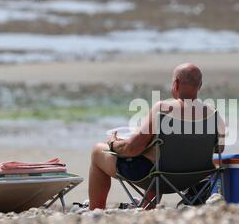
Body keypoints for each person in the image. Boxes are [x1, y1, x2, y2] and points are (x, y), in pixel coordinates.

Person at [88, 63, 225, 210]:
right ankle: (147, 206)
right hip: (193, 178)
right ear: (200, 85)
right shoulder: (214, 114)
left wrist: (113, 143)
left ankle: (95, 210)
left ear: (176, 84)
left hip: (159, 178)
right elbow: (219, 148)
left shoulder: (163, 109)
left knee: (98, 151)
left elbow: (132, 149)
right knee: (156, 152)